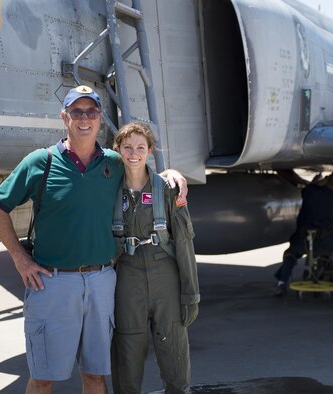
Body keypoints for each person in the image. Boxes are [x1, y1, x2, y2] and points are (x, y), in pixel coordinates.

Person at [0, 86, 187, 394]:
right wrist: (19, 258)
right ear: (64, 117)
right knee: (42, 378)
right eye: (77, 112)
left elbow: (143, 172)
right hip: (52, 284)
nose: (85, 119)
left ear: (99, 118)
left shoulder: (113, 162)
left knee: (95, 377)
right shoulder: (41, 162)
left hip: (102, 282)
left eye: (91, 112)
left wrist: (173, 174)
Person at [110, 123, 200, 394]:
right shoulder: (109, 190)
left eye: (140, 147)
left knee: (173, 353)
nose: (134, 153)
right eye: (127, 147)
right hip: (127, 274)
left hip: (165, 273)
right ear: (118, 150)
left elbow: (184, 243)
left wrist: (190, 294)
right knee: (127, 353)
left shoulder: (168, 189)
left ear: (150, 150)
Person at [272, 169, 333, 300]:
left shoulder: (311, 192)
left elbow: (307, 188)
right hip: (327, 243)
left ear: (328, 178)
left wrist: (321, 182)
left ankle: (281, 284)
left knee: (290, 254)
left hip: (302, 241)